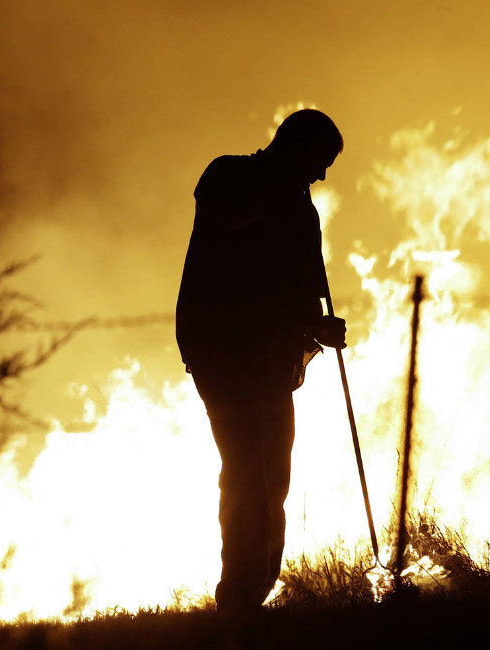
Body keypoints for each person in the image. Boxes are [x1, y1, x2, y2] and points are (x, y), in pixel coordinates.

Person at [175, 109, 346, 614]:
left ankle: (256, 592)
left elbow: (301, 283)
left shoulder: (300, 204)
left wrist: (318, 326)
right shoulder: (228, 174)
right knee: (248, 471)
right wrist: (285, 187)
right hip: (224, 351)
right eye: (319, 161)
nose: (320, 175)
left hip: (273, 358)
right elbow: (231, 218)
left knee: (273, 474)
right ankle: (239, 598)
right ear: (295, 148)